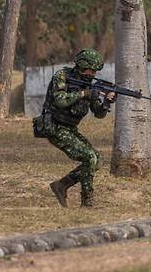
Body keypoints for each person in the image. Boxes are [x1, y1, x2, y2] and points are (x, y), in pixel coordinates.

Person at [35, 48, 116, 207]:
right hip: (55, 126)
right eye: (91, 70)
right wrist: (84, 94)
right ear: (81, 65)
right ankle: (87, 202)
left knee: (97, 160)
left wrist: (107, 101)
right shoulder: (62, 76)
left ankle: (62, 185)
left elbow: (98, 114)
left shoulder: (89, 85)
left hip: (70, 129)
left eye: (95, 71)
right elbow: (60, 101)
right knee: (89, 157)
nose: (93, 74)